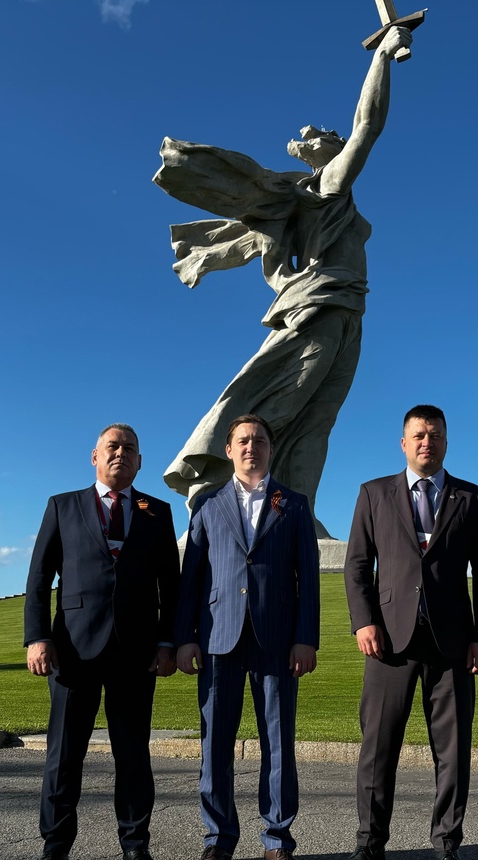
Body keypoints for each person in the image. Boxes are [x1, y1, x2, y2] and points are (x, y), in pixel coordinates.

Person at [153, 26, 414, 537]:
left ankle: (297, 512)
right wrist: (381, 58)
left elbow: (274, 267)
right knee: (283, 403)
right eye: (330, 139)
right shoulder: (327, 187)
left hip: (345, 308)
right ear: (325, 154)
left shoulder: (311, 201)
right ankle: (219, 489)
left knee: (317, 419)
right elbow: (368, 125)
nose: (336, 138)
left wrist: (294, 285)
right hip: (322, 307)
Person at [22, 423, 180, 860]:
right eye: (112, 446)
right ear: (94, 456)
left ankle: (136, 848)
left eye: (130, 449)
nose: (120, 454)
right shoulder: (63, 506)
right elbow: (39, 579)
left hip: (136, 652)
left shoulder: (158, 512)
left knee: (132, 754)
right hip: (73, 649)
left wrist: (167, 642)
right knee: (64, 754)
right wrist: (37, 637)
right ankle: (55, 850)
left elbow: (170, 586)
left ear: (140, 462)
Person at [341, 405, 478, 860]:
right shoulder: (373, 494)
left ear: (447, 441)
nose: (428, 442)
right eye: (419, 435)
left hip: (452, 645)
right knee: (377, 748)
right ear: (403, 443)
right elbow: (357, 565)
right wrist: (364, 622)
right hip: (388, 642)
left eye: (436, 435)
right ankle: (369, 846)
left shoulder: (475, 499)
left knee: (453, 752)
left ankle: (447, 847)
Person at [174, 414, 321, 860]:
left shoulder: (293, 504)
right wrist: (185, 637)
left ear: (270, 449)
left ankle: (277, 842)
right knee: (215, 744)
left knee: (278, 744)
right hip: (218, 639)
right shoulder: (208, 505)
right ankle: (218, 842)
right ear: (229, 449)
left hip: (276, 641)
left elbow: (308, 579)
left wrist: (305, 638)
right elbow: (191, 580)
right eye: (242, 440)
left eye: (258, 440)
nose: (250, 446)